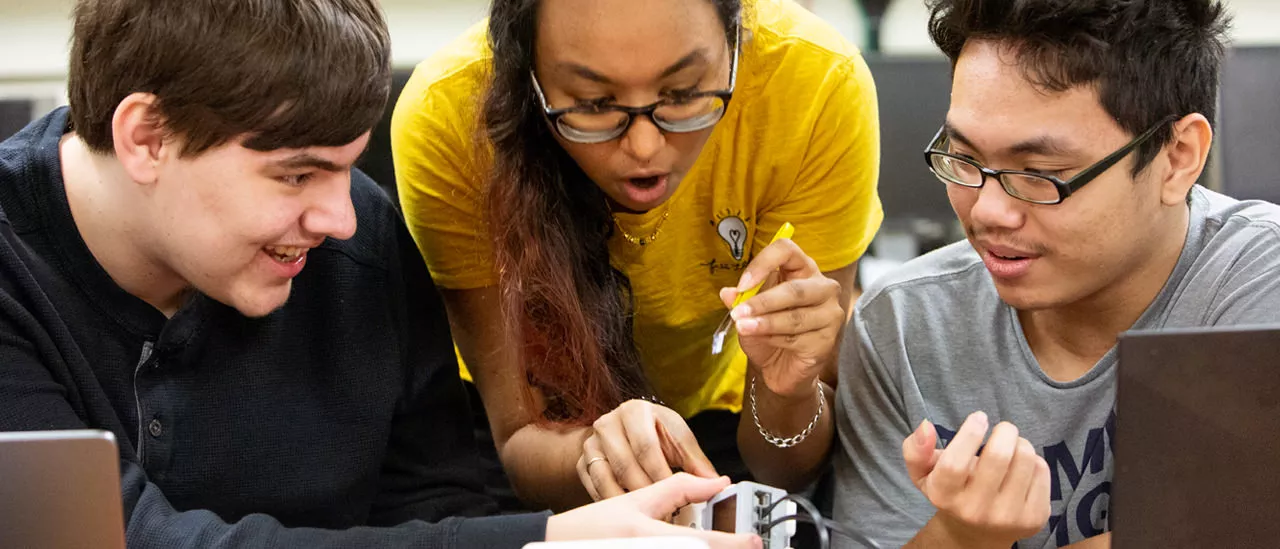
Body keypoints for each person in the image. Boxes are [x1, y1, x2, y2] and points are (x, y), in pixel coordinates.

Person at [0, 1, 762, 547]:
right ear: (147, 137)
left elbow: (433, 506)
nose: (341, 219)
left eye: (347, 166)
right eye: (297, 175)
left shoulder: (359, 249)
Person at [757, 0, 1280, 547]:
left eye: (1040, 174)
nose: (986, 212)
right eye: (963, 158)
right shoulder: (905, 326)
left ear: (1176, 157)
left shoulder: (1253, 281)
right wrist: (961, 534)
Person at [391, 0, 883, 511]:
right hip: (541, 445)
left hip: (721, 414)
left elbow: (786, 466)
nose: (646, 147)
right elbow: (518, 440)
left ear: (735, 47)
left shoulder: (815, 83)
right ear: (531, 77)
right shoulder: (448, 112)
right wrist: (598, 450)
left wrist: (787, 394)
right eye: (594, 102)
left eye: (685, 93)